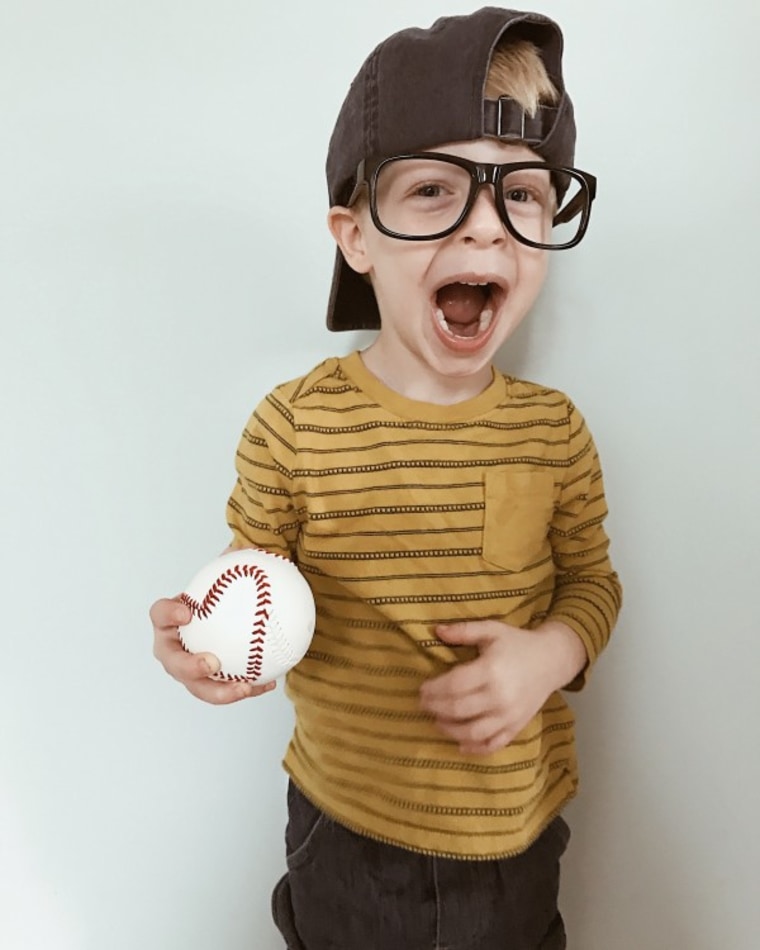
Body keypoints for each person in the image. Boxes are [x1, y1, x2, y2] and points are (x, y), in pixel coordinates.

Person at [151, 8, 622, 948]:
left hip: (515, 842)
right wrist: (200, 641)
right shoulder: (294, 425)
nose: (486, 232)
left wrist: (550, 656)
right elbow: (252, 583)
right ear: (355, 237)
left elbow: (593, 587)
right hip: (344, 835)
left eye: (523, 195)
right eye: (434, 190)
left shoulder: (553, 431)